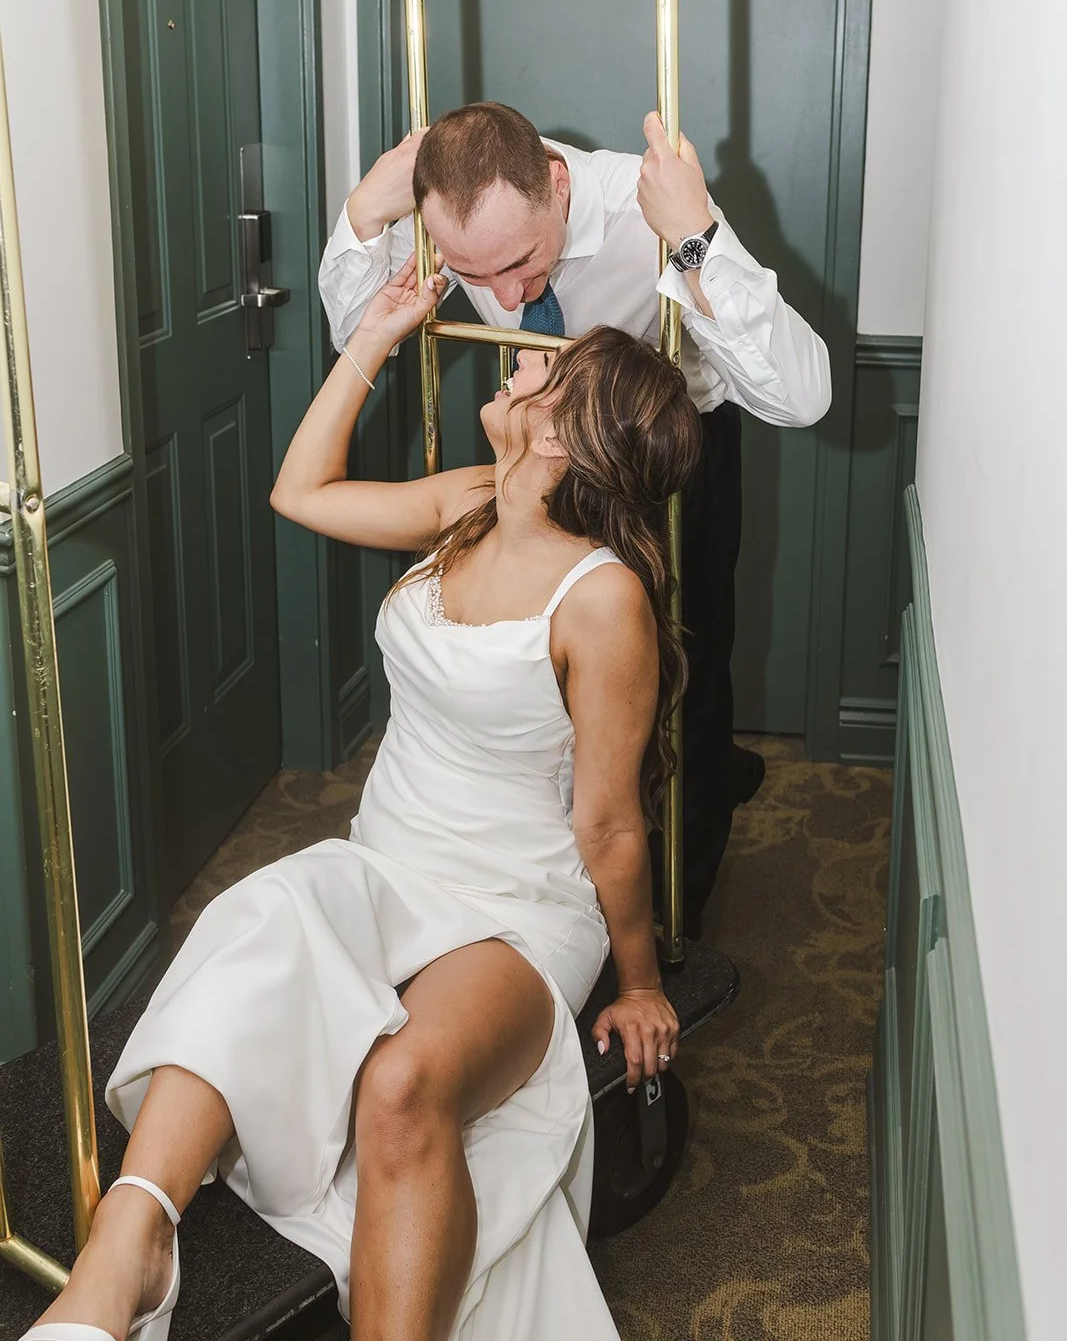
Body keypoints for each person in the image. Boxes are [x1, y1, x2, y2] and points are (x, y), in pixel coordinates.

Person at [21, 262, 701, 1341]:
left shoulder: (601, 595)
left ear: (565, 435)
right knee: (263, 915)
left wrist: (639, 981)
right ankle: (129, 1247)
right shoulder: (467, 504)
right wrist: (374, 335)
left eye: (546, 367)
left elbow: (609, 824)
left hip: (517, 908)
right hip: (385, 860)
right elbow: (299, 491)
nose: (521, 356)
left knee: (400, 1081)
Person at [318, 102, 832, 935]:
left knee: (681, 679)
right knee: (553, 687)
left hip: (668, 456)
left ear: (556, 186)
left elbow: (801, 399)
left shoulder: (645, 205)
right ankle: (564, 882)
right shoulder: (452, 209)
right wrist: (362, 216)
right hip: (542, 456)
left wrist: (695, 233)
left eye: (521, 262)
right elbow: (361, 331)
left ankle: (674, 918)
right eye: (473, 275)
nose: (508, 297)